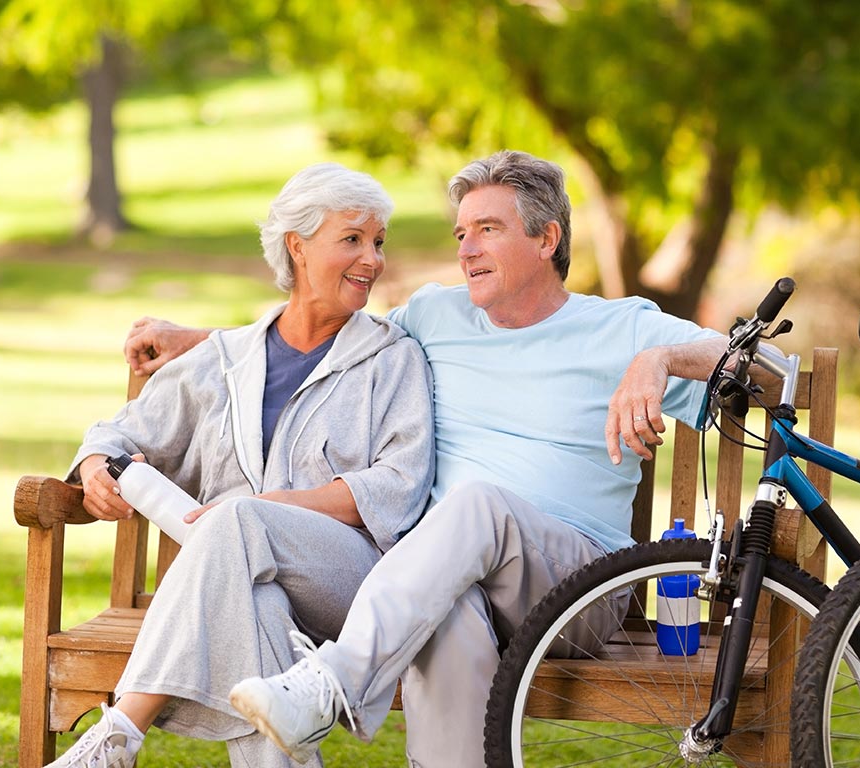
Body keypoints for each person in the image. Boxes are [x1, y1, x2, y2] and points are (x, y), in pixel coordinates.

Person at [125, 150, 726, 767]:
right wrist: (199, 341)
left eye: (487, 230)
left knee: (478, 505)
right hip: (449, 577)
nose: (466, 249)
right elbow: (328, 326)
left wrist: (660, 361)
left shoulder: (620, 328)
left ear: (547, 238)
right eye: (461, 233)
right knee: (449, 611)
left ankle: (332, 683)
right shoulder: (438, 316)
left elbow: (759, 367)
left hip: (577, 590)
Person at [46, 162, 435, 768]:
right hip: (245, 587)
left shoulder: (392, 359)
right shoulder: (223, 360)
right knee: (256, 606)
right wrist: (96, 464)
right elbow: (118, 433)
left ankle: (121, 730)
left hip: (350, 585)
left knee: (236, 523)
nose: (373, 259)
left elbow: (398, 487)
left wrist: (266, 509)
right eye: (352, 239)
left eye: (378, 242)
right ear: (297, 247)